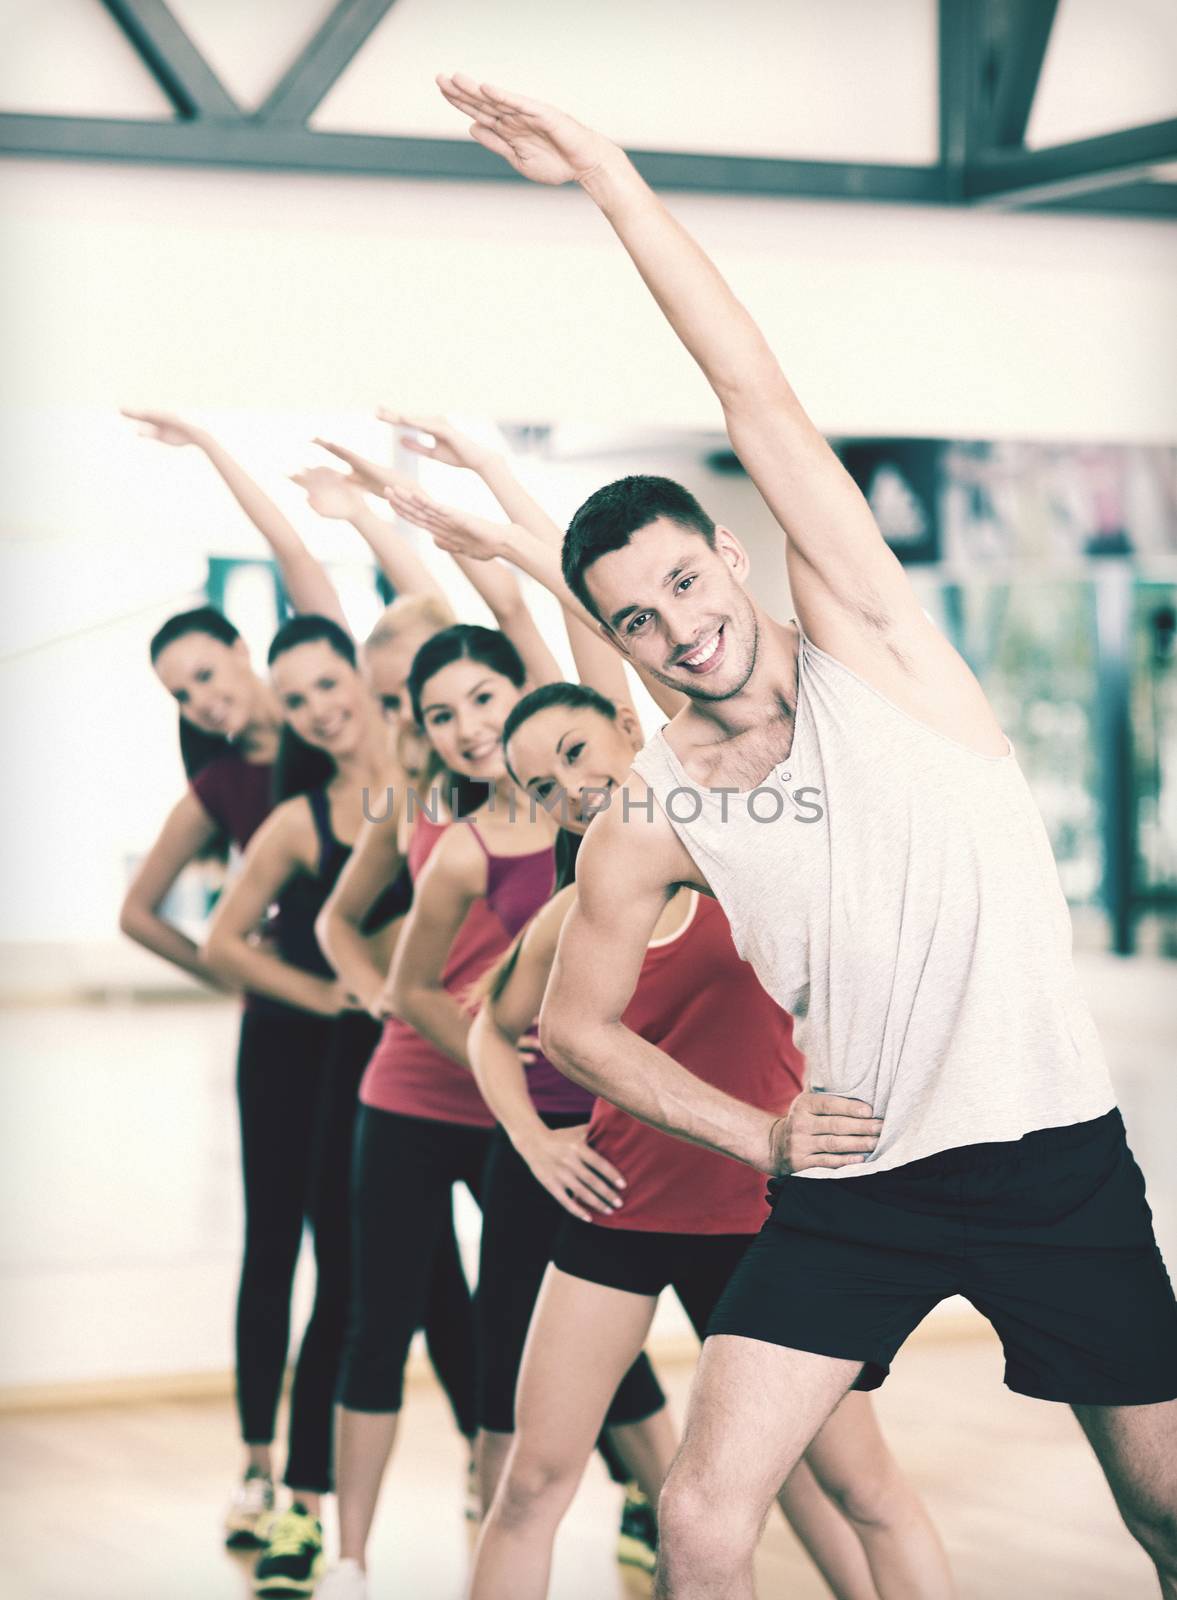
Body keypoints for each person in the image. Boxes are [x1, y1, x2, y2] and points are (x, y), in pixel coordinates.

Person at [438, 76, 1177, 1600]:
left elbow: (751, 390)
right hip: (858, 1184)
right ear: (617, 640)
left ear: (728, 556)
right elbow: (572, 1025)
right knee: (706, 1522)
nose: (678, 629)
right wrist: (755, 1136)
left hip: (1052, 1159)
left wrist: (610, 181)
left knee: (1166, 1508)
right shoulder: (651, 805)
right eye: (636, 621)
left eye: (686, 586)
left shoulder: (872, 643)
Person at [465, 680, 951, 1600]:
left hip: (765, 1223)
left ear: (622, 727)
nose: (568, 788)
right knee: (531, 1481)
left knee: (852, 1487)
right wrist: (534, 1143)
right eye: (539, 785)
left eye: (573, 753)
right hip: (620, 1212)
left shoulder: (743, 860)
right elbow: (492, 1027)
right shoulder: (573, 915)